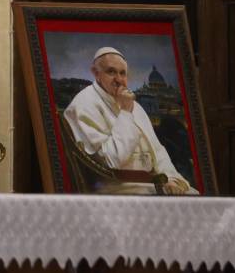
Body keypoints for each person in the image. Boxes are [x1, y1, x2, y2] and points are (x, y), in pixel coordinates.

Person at [62, 47, 197, 195]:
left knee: (194, 197)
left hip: (154, 182)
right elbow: (112, 161)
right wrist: (125, 112)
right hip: (116, 187)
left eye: (122, 73)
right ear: (96, 73)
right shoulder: (84, 104)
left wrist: (172, 179)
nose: (119, 79)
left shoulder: (136, 106)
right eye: (111, 72)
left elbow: (157, 150)